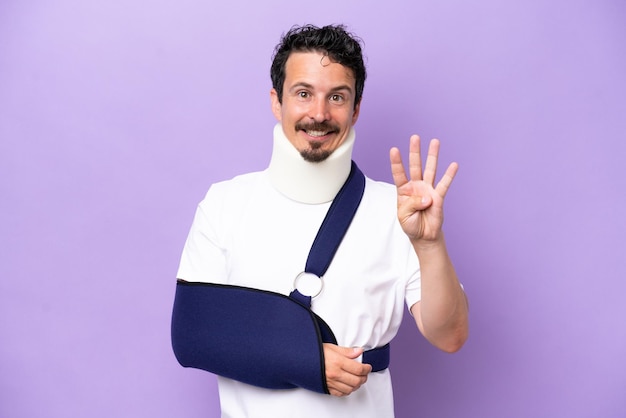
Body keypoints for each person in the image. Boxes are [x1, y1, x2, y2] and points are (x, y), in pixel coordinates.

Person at [173, 24, 469, 417]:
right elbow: (192, 336)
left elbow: (450, 336)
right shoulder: (224, 203)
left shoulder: (397, 211)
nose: (319, 113)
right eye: (303, 93)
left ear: (356, 108)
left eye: (337, 97)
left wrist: (430, 245)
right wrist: (305, 360)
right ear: (276, 102)